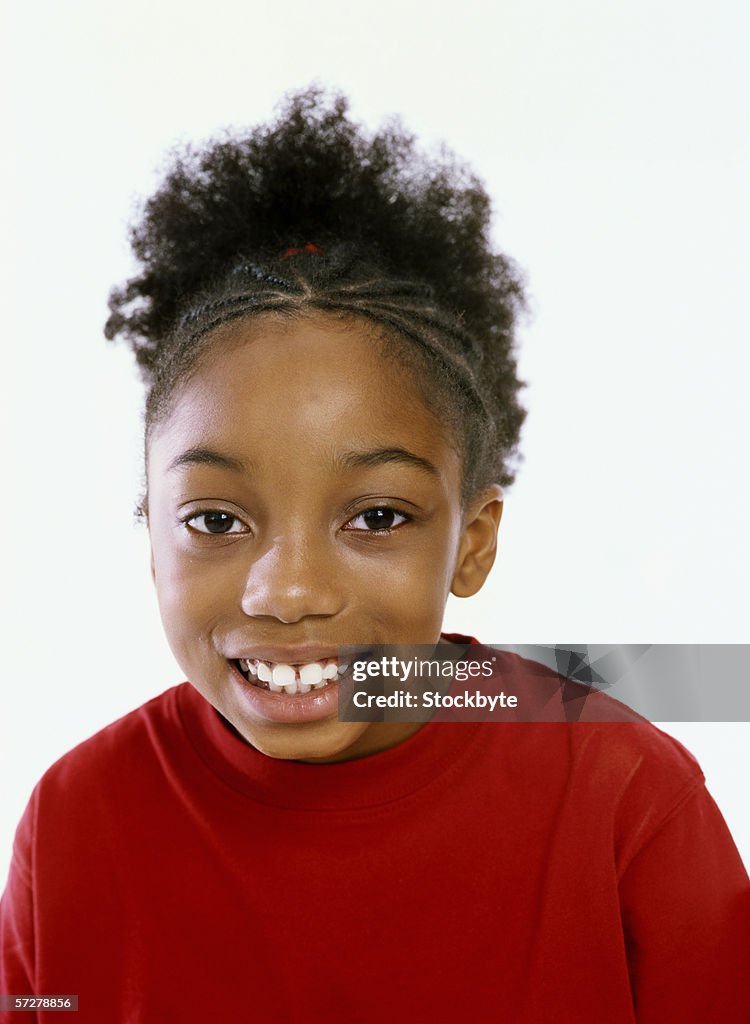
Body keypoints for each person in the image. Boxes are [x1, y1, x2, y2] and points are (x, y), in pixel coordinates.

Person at [1, 86, 747, 1023]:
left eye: (379, 518)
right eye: (217, 521)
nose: (290, 591)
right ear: (149, 532)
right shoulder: (76, 822)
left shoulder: (625, 800)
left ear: (471, 544)